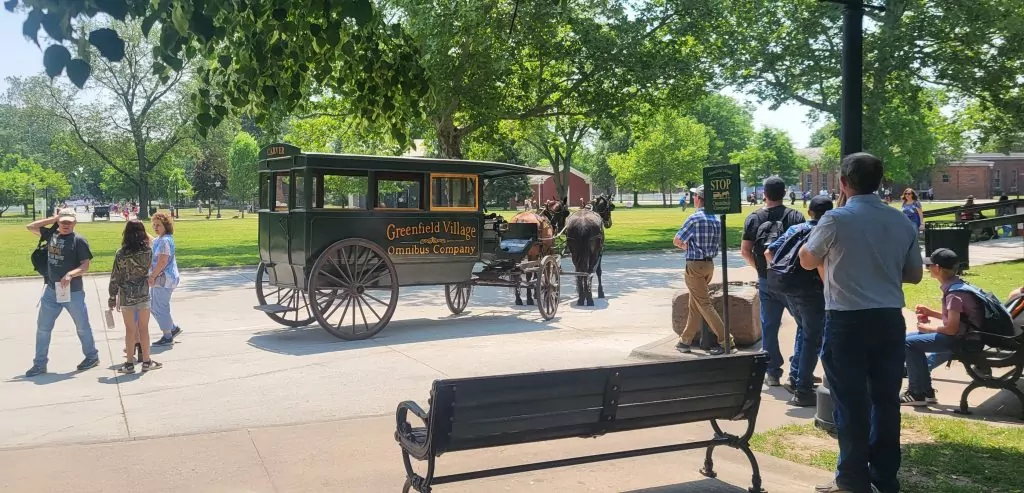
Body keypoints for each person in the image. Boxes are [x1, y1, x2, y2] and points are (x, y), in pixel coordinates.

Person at [799, 152, 923, 493]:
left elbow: (808, 260)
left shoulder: (836, 220)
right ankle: (884, 477)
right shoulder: (901, 221)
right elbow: (914, 274)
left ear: (843, 182)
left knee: (851, 403)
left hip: (846, 321)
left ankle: (852, 479)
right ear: (881, 182)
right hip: (888, 320)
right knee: (886, 402)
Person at [765, 196, 833, 407]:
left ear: (810, 211)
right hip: (811, 290)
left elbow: (769, 251)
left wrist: (784, 273)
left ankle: (796, 376)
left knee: (805, 331)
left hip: (784, 287)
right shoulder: (824, 232)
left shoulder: (796, 229)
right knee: (813, 338)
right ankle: (802, 389)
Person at [741, 176, 805, 386]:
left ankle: (772, 371)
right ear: (785, 193)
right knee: (803, 325)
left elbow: (745, 250)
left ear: (764, 194)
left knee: (769, 326)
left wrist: (762, 269)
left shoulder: (754, 218)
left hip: (767, 278)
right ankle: (798, 368)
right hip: (791, 279)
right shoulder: (795, 216)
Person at [24, 208, 100, 377]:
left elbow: (85, 266)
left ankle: (92, 356)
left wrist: (70, 274)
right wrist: (53, 218)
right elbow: (30, 226)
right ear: (58, 222)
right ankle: (39, 364)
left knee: (82, 327)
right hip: (51, 290)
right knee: (43, 328)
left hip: (73, 292)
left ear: (75, 222)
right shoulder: (52, 235)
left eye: (69, 222)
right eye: (63, 221)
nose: (65, 225)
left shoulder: (79, 241)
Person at [901, 249, 982, 406]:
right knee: (910, 339)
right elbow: (959, 319)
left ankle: (917, 393)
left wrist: (927, 329)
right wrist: (930, 313)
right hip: (969, 336)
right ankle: (926, 392)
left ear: (937, 268)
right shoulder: (959, 286)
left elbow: (951, 329)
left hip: (962, 340)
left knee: (908, 343)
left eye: (929, 266)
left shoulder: (953, 293)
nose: (928, 269)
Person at [672, 185, 735, 356]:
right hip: (709, 265)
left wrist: (685, 247)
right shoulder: (716, 219)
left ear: (699, 198)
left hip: (694, 265)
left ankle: (726, 341)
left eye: (694, 197)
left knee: (704, 304)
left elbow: (677, 240)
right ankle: (685, 340)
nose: (693, 199)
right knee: (696, 304)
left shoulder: (694, 218)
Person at [109, 220, 163, 373]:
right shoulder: (147, 251)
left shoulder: (121, 254)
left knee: (130, 330)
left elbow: (115, 276)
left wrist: (112, 296)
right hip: (143, 293)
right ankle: (147, 361)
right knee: (144, 329)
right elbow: (152, 244)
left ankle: (129, 363)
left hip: (127, 295)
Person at [149, 212, 183, 346]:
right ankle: (173, 328)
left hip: (164, 279)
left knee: (160, 307)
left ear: (166, 226)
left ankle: (167, 336)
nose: (155, 227)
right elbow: (152, 240)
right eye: (154, 225)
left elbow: (162, 261)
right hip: (164, 279)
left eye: (158, 225)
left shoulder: (164, 241)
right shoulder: (162, 239)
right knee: (154, 306)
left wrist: (152, 276)